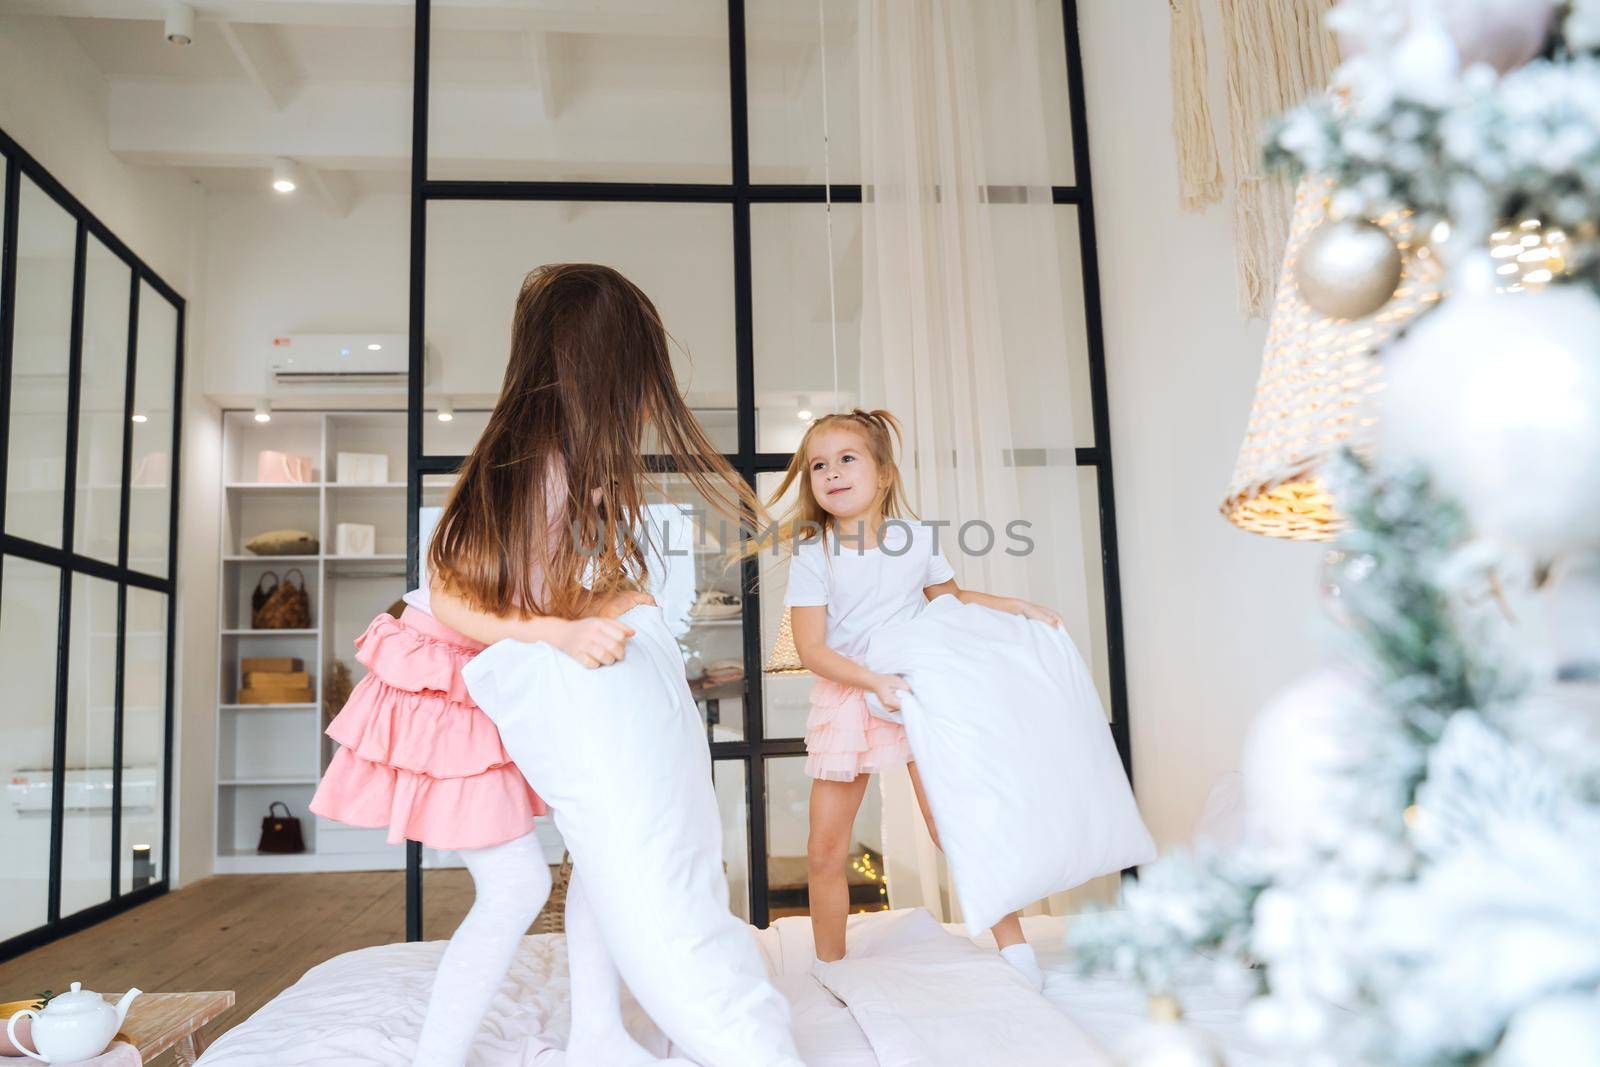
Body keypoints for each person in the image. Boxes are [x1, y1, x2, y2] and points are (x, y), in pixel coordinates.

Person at [312, 263, 768, 1065]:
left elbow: (534, 585)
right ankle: (437, 1056)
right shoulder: (532, 458)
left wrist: (597, 605)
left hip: (494, 672)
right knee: (517, 885)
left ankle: (597, 1034)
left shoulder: (562, 457)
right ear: (600, 366)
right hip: (445, 679)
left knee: (591, 849)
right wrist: (558, 635)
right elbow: (450, 590)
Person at [765, 408, 1061, 990]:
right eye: (819, 465)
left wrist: (1014, 605)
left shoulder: (914, 539)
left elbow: (949, 602)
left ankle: (1014, 947)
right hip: (851, 698)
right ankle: (831, 968)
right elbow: (813, 649)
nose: (832, 473)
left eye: (847, 458)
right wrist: (872, 682)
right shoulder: (814, 555)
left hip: (918, 692)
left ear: (884, 473)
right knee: (825, 847)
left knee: (951, 822)